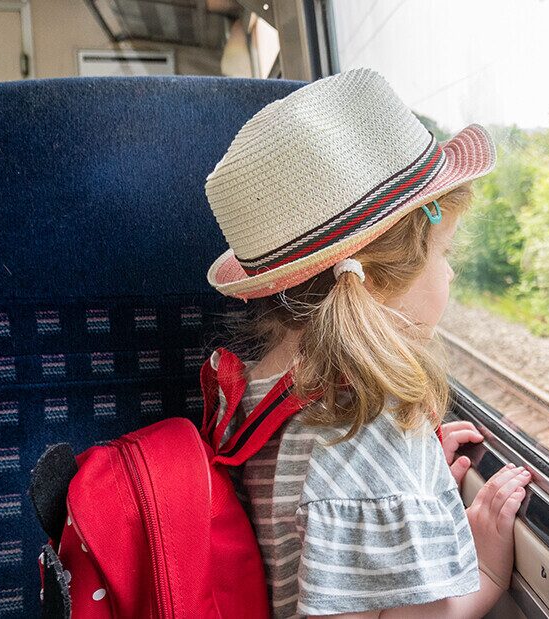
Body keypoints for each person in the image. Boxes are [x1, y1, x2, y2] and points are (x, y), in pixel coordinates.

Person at [200, 67, 529, 618]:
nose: (449, 275)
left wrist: (405, 496)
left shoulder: (263, 384)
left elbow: (304, 526)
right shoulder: (368, 427)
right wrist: (489, 574)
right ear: (374, 281)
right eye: (444, 253)